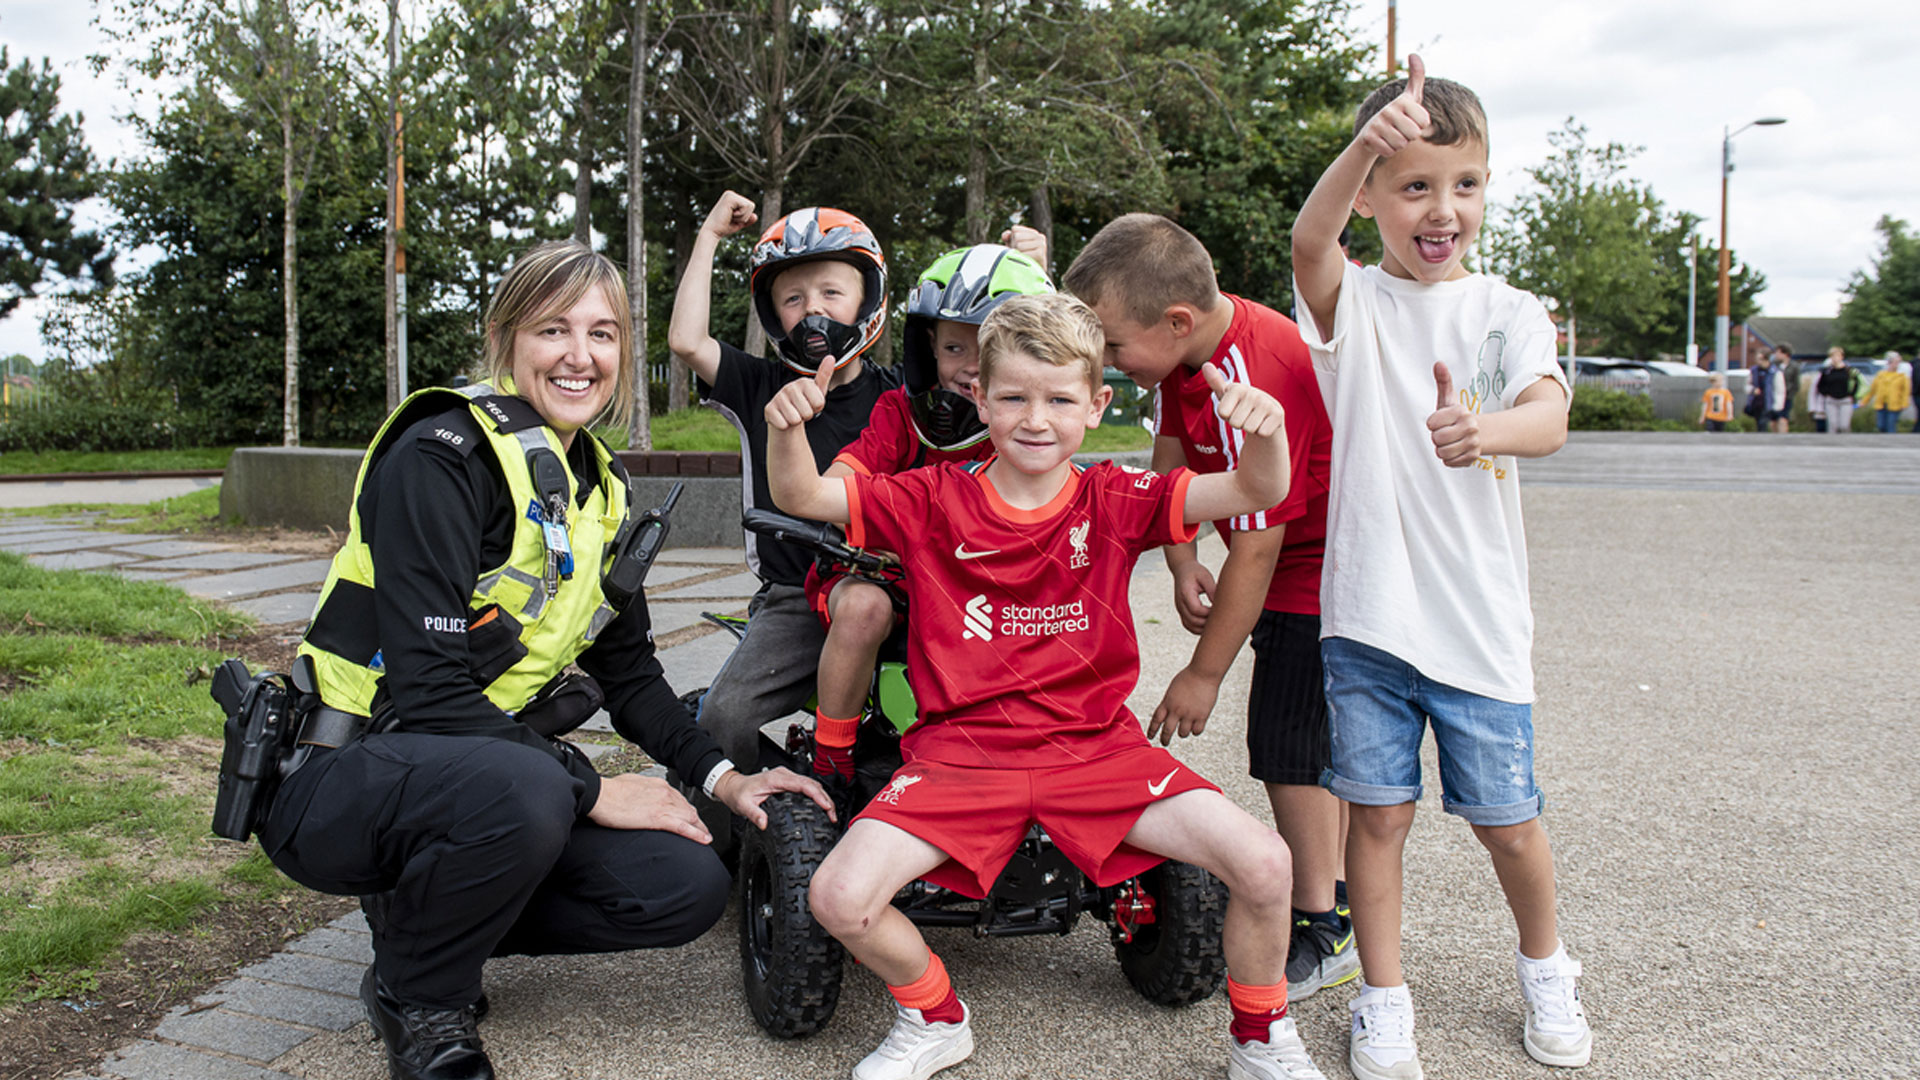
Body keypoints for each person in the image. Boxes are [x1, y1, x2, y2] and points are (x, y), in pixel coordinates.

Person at [259, 241, 832, 1080]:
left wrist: (724, 779)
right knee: (533, 786)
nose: (579, 356)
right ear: (506, 338)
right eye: (552, 330)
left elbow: (632, 675)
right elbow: (426, 689)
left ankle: (419, 913)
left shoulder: (598, 488)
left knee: (686, 883)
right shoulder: (440, 457)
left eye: (603, 334)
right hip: (339, 773)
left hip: (463, 774)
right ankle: (421, 999)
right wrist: (594, 787)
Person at [766, 292, 1331, 1080]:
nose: (1037, 419)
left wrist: (1266, 435)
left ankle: (1261, 1036)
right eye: (1014, 397)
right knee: (837, 899)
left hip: (1097, 754)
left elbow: (1252, 492)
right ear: (980, 398)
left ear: (1096, 405)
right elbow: (802, 496)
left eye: (1061, 399)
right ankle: (935, 1014)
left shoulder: (1116, 496)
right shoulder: (934, 497)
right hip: (962, 758)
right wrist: (785, 425)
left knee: (1269, 865)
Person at [1291, 55, 1591, 1077]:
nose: (1441, 208)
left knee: (1509, 825)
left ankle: (1547, 968)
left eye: (1462, 184)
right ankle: (1384, 999)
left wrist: (1486, 429)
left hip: (1478, 625)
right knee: (1375, 820)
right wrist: (1366, 139)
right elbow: (1307, 240)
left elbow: (1549, 416)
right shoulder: (1355, 304)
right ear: (1372, 193)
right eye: (1414, 183)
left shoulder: (1508, 309)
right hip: (1368, 620)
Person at [1063, 213, 1355, 1003]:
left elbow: (1260, 548)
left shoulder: (1250, 372)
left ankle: (1323, 924)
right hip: (1284, 560)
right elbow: (1174, 452)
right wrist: (1185, 554)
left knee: (1288, 744)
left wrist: (1203, 673)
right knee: (1302, 747)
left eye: (1115, 347)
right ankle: (1333, 893)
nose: (1111, 364)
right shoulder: (1187, 358)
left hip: (1316, 570)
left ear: (1176, 321)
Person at [778, 243, 1054, 802]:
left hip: (987, 596)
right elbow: (837, 484)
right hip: (890, 581)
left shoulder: (1037, 433)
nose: (972, 364)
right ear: (927, 348)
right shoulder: (901, 413)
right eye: (954, 347)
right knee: (862, 606)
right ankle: (834, 756)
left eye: (991, 347)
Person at [1815, 347, 1859, 435]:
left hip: (1845, 400)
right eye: (1833, 356)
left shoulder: (1849, 370)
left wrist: (1851, 394)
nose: (1835, 358)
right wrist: (1826, 393)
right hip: (1831, 401)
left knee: (1844, 425)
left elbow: (1856, 384)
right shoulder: (1827, 371)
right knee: (1833, 425)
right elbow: (1820, 385)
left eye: (1837, 356)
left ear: (1842, 357)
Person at [1864, 354, 1910, 432]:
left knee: (1891, 425)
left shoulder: (1902, 376)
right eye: (1894, 362)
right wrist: (1865, 401)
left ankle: (1892, 442)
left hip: (1895, 404)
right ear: (1889, 363)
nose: (1895, 365)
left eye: (1897, 363)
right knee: (1881, 425)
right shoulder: (1880, 375)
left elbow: (1905, 392)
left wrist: (1904, 403)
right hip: (1881, 403)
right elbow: (1873, 390)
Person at [1772, 343, 1799, 433]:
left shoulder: (1794, 366)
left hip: (1787, 396)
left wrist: (1790, 395)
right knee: (1773, 420)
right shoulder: (1774, 365)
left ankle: (1783, 438)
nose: (1776, 355)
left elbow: (1796, 383)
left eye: (1778, 352)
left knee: (1783, 418)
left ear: (1785, 354)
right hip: (1775, 396)